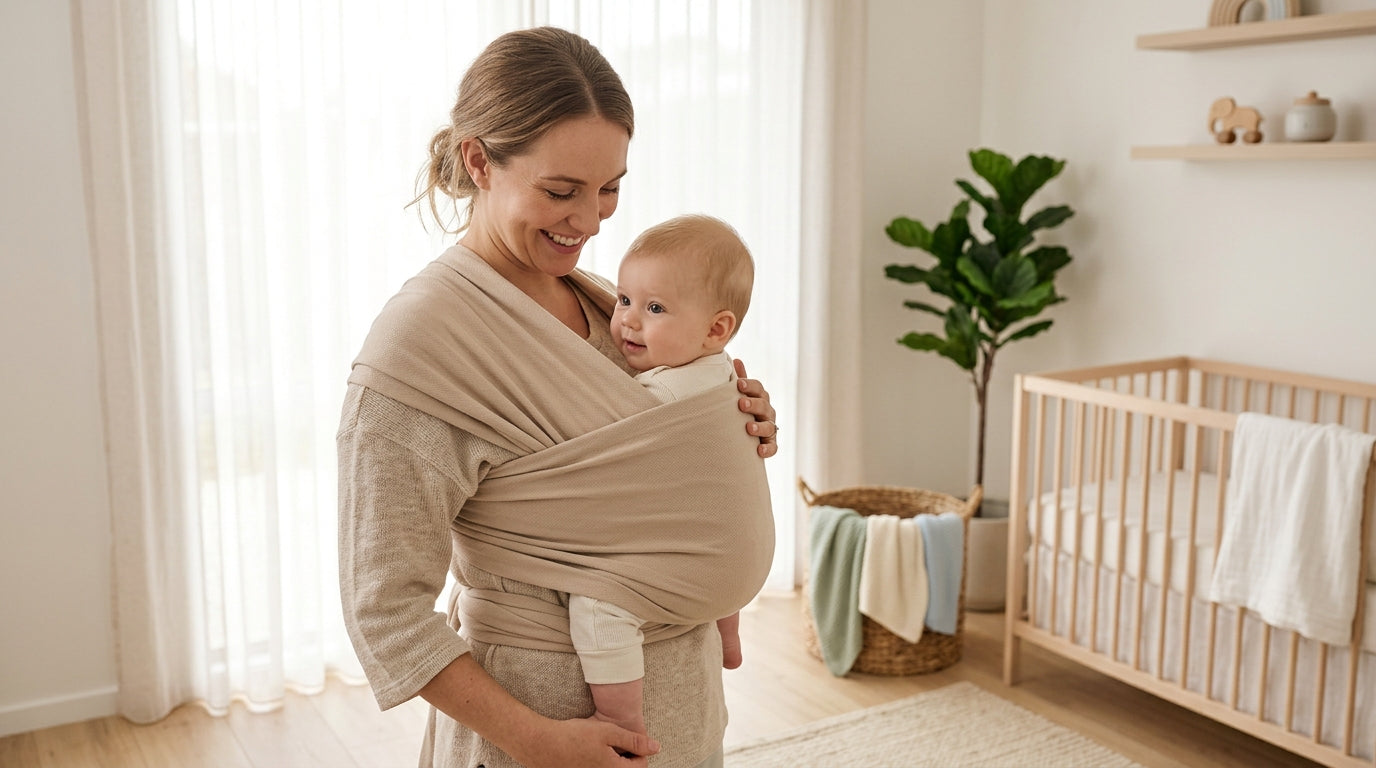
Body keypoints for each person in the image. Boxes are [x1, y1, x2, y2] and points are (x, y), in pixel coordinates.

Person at [337, 26, 778, 768]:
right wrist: (534, 740)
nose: (592, 220)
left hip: (685, 706)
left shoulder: (612, 306)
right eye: (561, 191)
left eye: (610, 189)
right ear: (479, 161)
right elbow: (384, 610)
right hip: (538, 727)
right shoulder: (421, 348)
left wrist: (734, 428)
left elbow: (653, 468)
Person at [570, 214, 765, 738]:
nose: (629, 321)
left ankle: (619, 717)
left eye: (654, 308)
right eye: (625, 299)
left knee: (599, 601)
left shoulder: (659, 399)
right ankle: (728, 640)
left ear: (715, 328)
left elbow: (602, 443)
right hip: (735, 563)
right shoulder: (724, 375)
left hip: (704, 561)